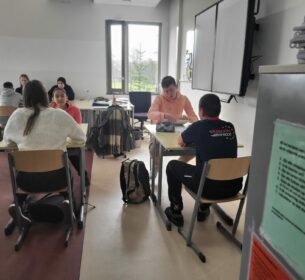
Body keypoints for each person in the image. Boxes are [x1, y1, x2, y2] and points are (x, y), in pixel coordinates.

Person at [4, 80, 85, 225]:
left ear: (25, 97)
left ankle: (17, 204)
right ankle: (68, 202)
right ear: (46, 96)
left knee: (22, 173)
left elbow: (7, 142)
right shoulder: (59, 114)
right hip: (57, 178)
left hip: (25, 182)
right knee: (67, 174)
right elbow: (81, 138)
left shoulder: (17, 115)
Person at [164, 94, 243, 227]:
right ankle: (203, 208)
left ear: (201, 111)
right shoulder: (230, 127)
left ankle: (175, 211)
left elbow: (181, 142)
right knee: (211, 169)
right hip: (233, 187)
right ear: (219, 110)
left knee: (172, 166)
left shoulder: (199, 126)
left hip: (207, 189)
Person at [50, 87, 90, 186]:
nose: (60, 98)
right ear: (53, 99)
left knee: (74, 157)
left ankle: (83, 176)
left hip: (70, 140)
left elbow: (77, 127)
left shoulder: (75, 110)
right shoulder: (50, 110)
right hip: (55, 141)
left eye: (62, 96)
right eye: (57, 96)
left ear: (67, 98)